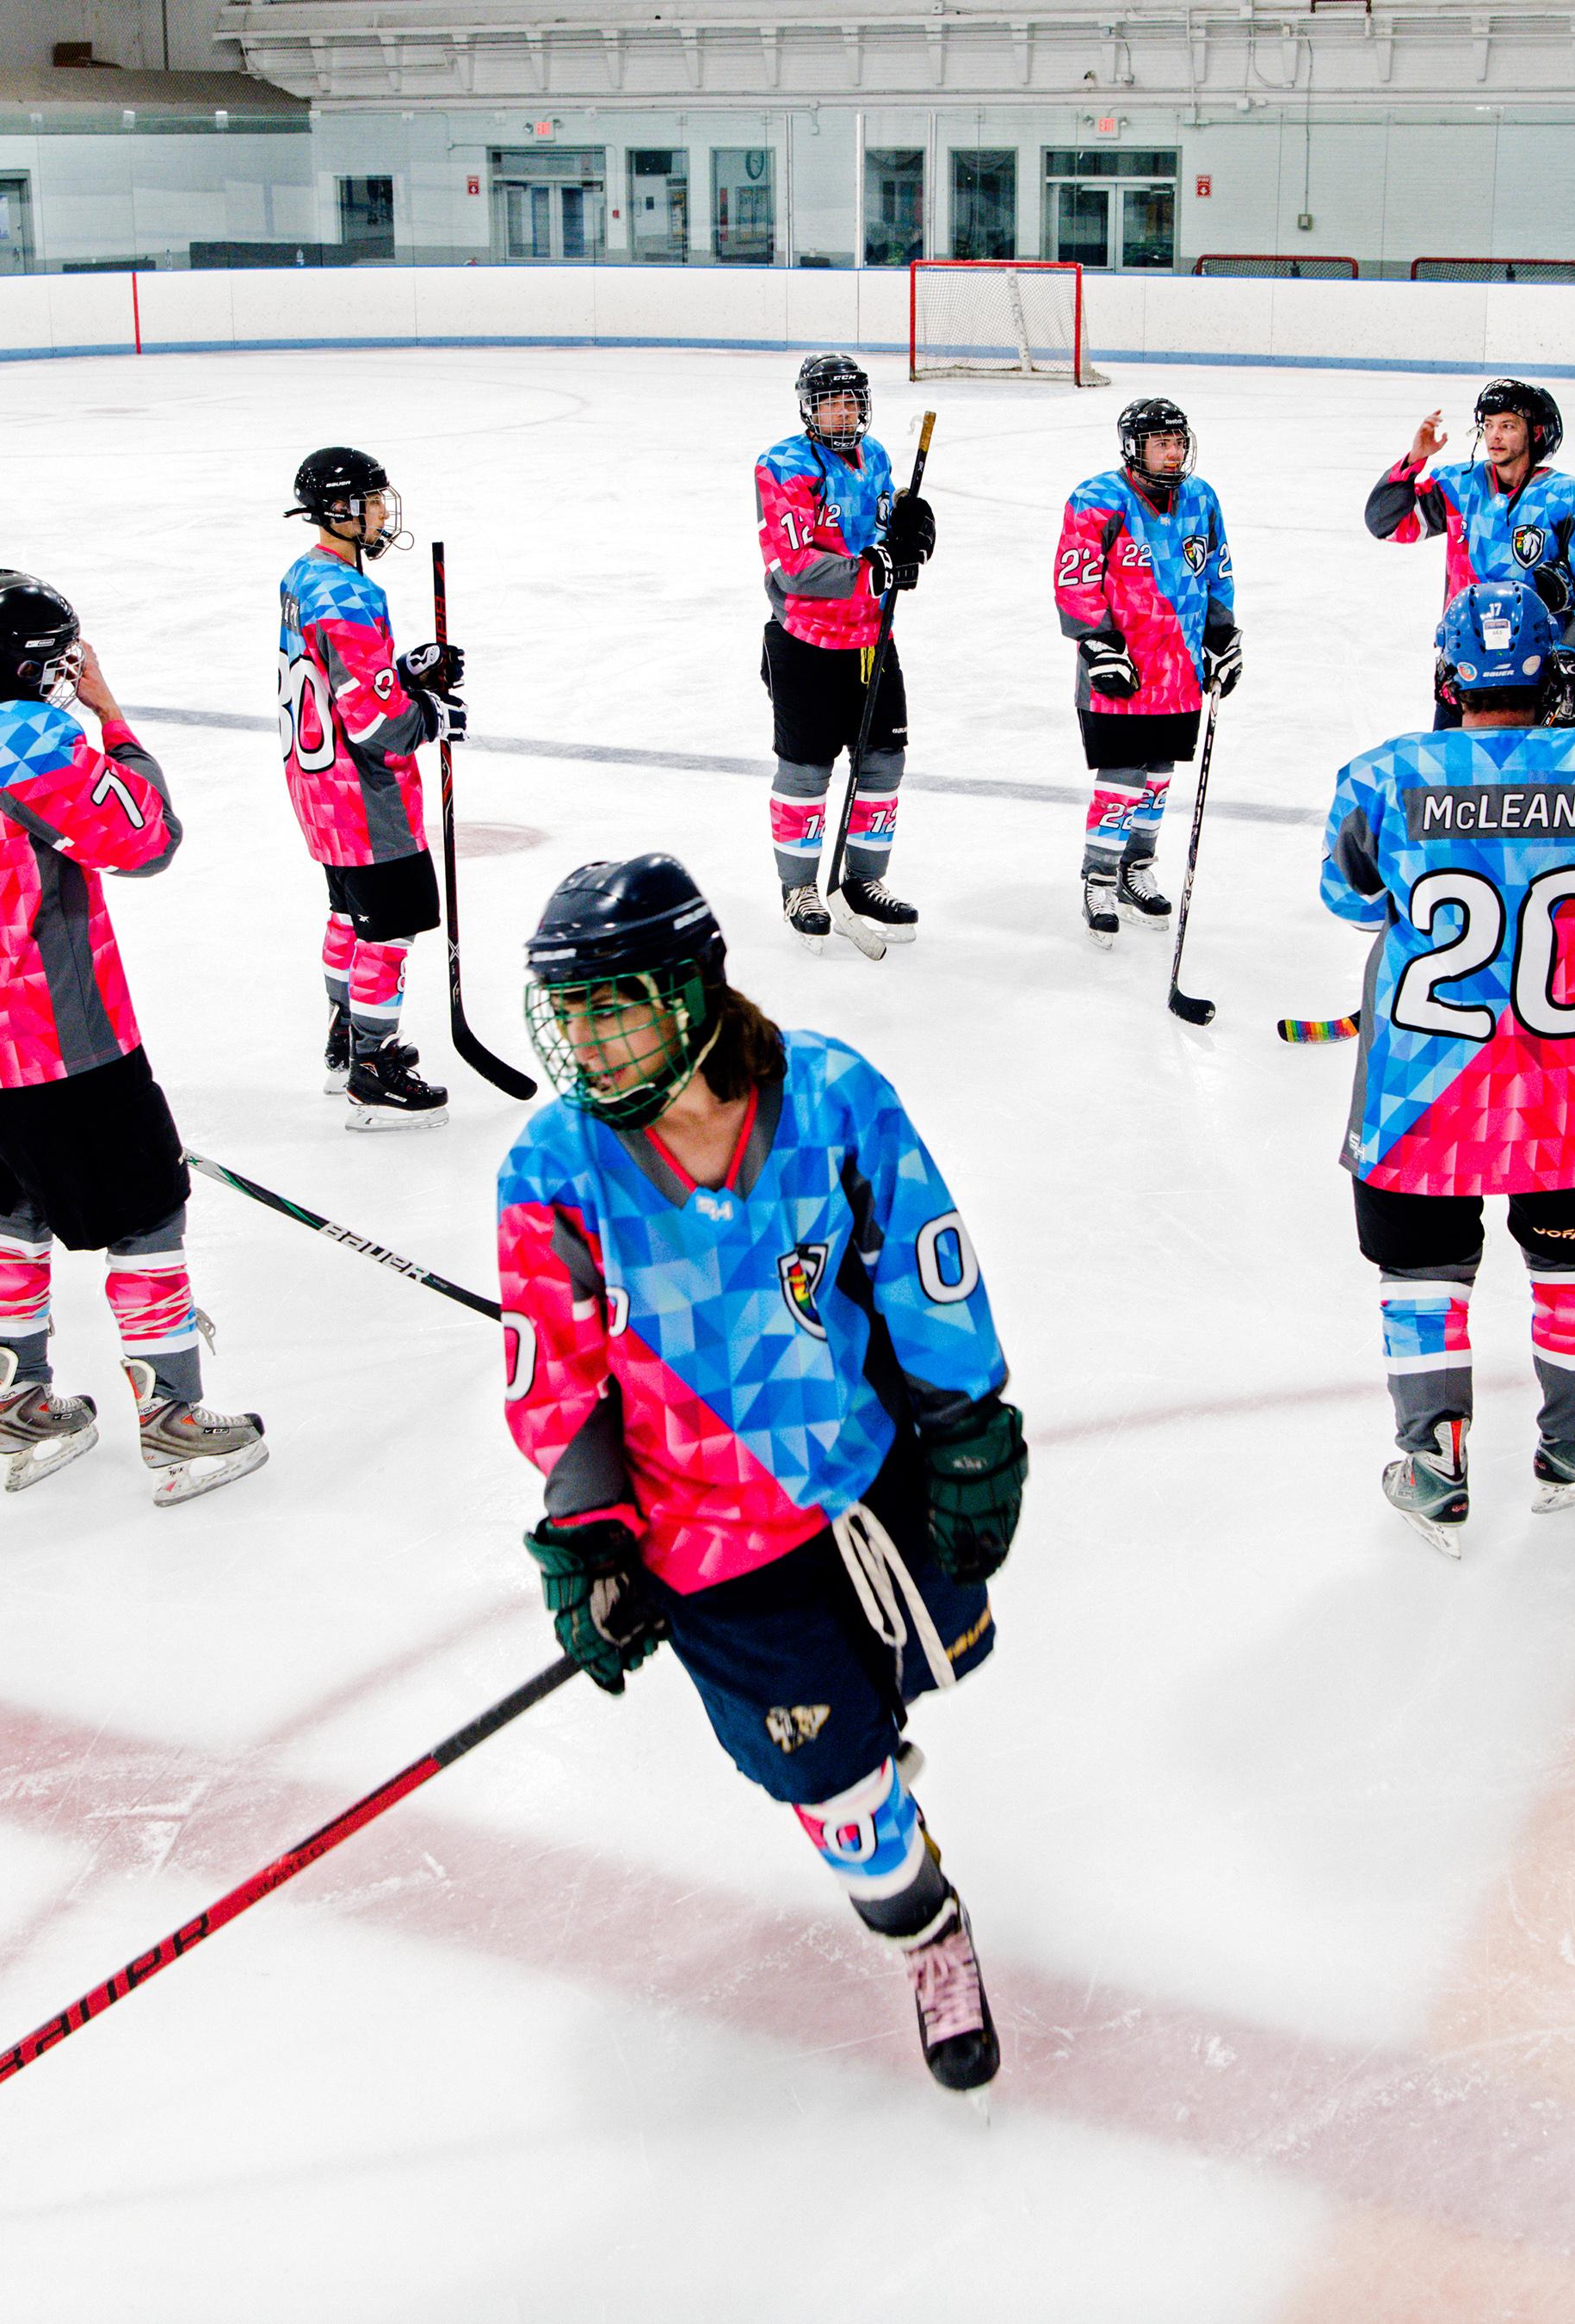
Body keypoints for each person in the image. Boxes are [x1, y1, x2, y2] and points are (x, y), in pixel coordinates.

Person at [496, 855, 1024, 2092]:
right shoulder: (553, 1167)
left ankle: (871, 1755)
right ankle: (926, 1928)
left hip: (867, 1490)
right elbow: (557, 1376)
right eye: (568, 1015)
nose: (586, 1044)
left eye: (612, 1006)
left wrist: (964, 1423)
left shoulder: (832, 1097)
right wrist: (590, 1531)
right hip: (710, 1550)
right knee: (842, 1794)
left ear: (690, 992)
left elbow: (923, 1266)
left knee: (906, 1698)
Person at [0, 571, 269, 1505]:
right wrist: (112, 717)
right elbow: (146, 839)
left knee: (7, 1210)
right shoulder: (32, 736)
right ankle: (174, 1420)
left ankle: (24, 1407)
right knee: (146, 1213)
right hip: (60, 1043)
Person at [1319, 581, 1575, 1548]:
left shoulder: (1379, 777)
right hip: (1564, 1094)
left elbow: (1353, 902)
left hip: (1420, 1095)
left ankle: (1435, 1462)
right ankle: (1574, 1448)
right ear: (1552, 671)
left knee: (1421, 1270)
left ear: (1450, 675)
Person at [276, 445, 463, 1128]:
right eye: (374, 500)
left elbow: (341, 677)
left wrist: (405, 672)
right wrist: (430, 715)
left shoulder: (304, 576)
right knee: (388, 931)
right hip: (365, 797)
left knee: (347, 916)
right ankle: (371, 1070)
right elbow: (378, 725)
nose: (385, 511)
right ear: (341, 510)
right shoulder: (353, 594)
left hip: (316, 786)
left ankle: (343, 1034)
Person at [757, 355, 936, 957]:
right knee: (807, 769)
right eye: (830, 402)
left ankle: (863, 880)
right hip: (807, 642)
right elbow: (794, 564)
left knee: (884, 761)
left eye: (851, 401)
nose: (843, 412)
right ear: (809, 407)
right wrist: (873, 569)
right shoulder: (782, 465)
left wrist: (912, 528)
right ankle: (800, 888)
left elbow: (885, 532)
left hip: (871, 640)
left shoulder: (879, 456)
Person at [1053, 395, 1240, 945]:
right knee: (1122, 778)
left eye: (1179, 442)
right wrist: (1099, 643)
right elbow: (1075, 582)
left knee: (1157, 778)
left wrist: (1222, 635)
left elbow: (1218, 573)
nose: (1173, 452)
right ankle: (1099, 875)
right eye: (1161, 443)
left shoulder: (1201, 498)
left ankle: (1136, 869)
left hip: (1178, 668)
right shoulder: (1097, 499)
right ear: (1134, 448)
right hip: (1121, 668)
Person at [1365, 377, 1575, 724]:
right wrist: (1414, 459)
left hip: (1536, 681)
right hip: (1465, 676)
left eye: (1507, 426)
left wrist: (1568, 653)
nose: (1494, 436)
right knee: (1451, 775)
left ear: (1535, 433)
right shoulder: (1459, 485)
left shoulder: (1570, 499)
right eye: (1487, 425)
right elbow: (1387, 524)